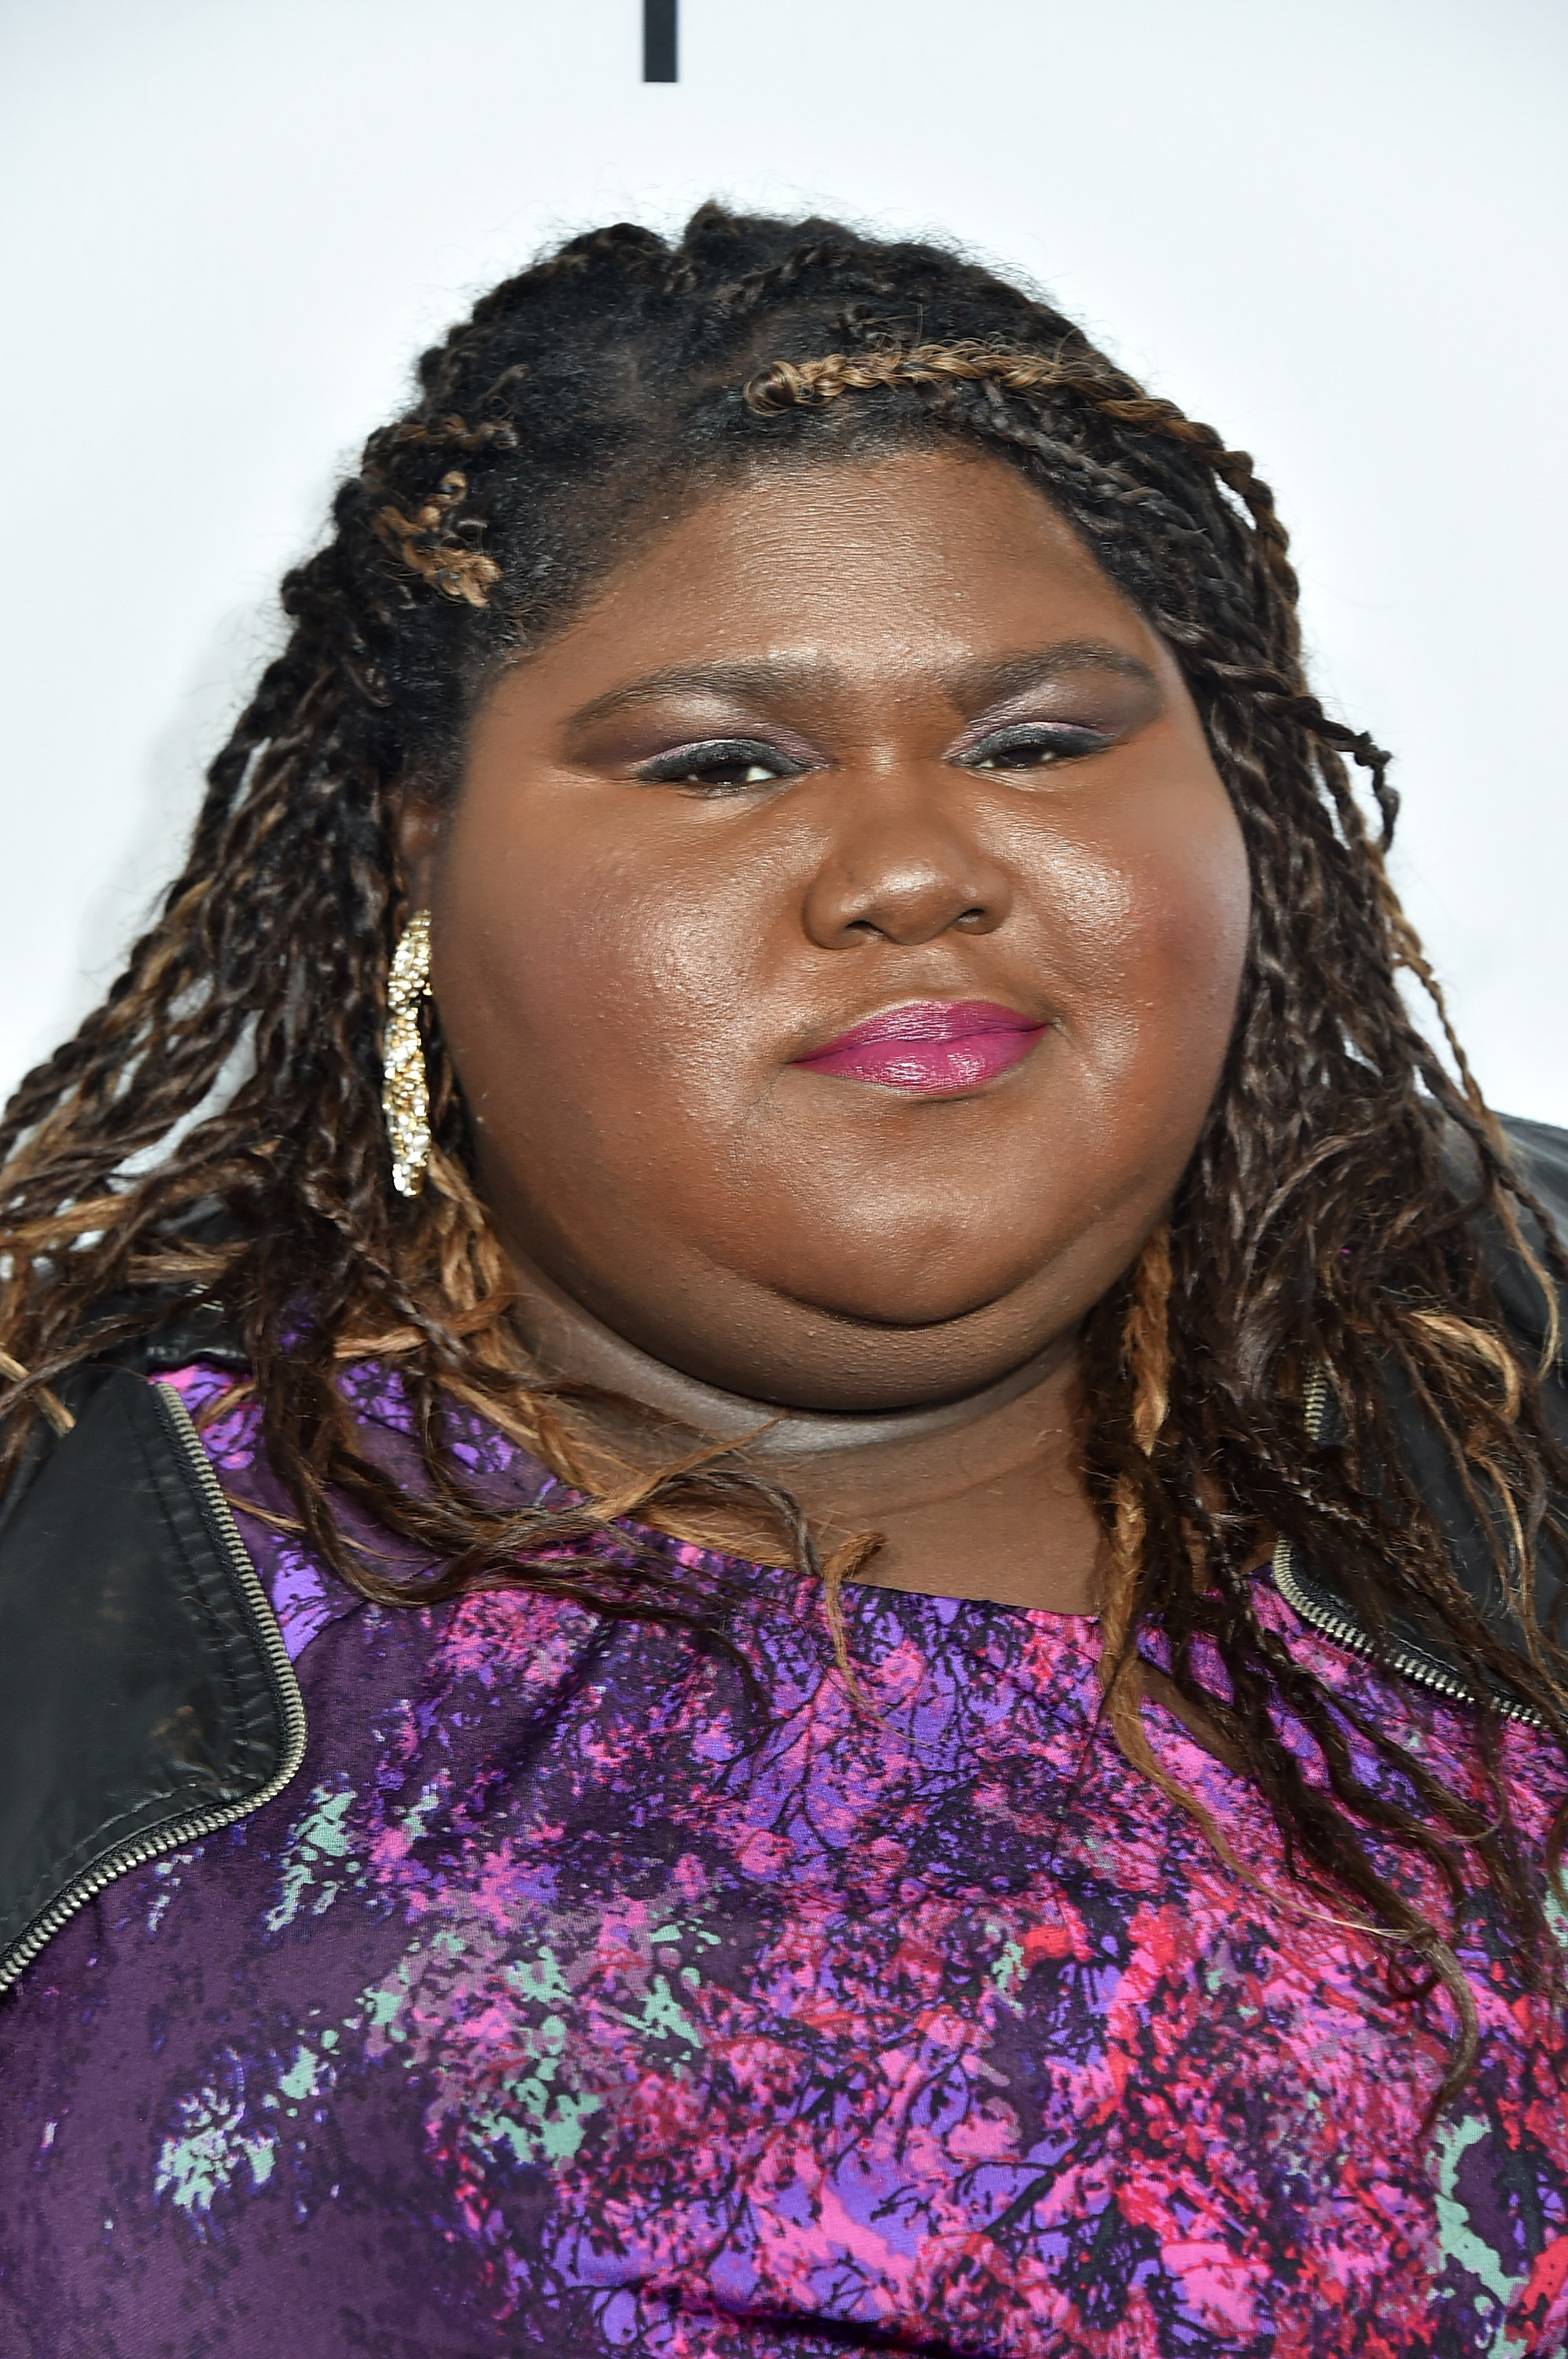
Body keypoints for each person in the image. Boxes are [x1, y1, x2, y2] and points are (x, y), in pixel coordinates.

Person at [0, 203, 1565, 2359]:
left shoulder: (1520, 1370)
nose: (913, 863)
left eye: (1034, 741)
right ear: (411, 861)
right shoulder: (72, 1549)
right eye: (720, 761)